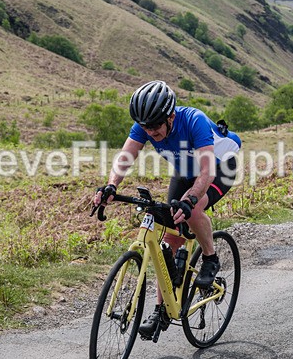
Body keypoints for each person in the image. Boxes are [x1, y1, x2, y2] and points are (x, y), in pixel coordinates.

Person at [93, 80, 241, 336]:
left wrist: (191, 199)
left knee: (192, 210)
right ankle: (161, 310)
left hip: (220, 168)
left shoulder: (194, 121)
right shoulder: (145, 126)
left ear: (170, 116)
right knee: (170, 238)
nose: (151, 132)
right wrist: (111, 186)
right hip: (185, 170)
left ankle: (210, 258)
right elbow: (125, 157)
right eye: (145, 127)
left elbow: (207, 172)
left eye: (155, 126)